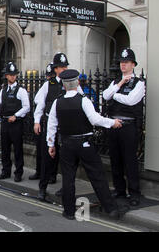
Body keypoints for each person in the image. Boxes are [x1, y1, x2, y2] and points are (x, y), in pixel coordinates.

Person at [47, 69, 126, 220]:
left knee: (68, 178)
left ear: (63, 85)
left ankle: (69, 211)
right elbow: (95, 119)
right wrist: (113, 123)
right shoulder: (83, 100)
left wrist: (51, 144)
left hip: (67, 144)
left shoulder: (58, 102)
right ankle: (111, 209)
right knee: (97, 176)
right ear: (77, 83)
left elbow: (52, 125)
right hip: (85, 143)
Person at [33, 52, 84, 200]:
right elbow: (40, 104)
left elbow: (82, 100)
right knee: (47, 160)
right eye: (61, 67)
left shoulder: (72, 83)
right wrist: (37, 121)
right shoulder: (48, 85)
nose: (64, 69)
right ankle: (42, 188)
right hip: (51, 126)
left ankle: (66, 188)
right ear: (55, 69)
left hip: (67, 127)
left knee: (67, 161)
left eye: (65, 66)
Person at [102, 48, 145, 207]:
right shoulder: (115, 82)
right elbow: (104, 96)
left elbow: (132, 101)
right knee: (115, 160)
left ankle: (134, 192)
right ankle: (119, 190)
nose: (123, 65)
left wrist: (115, 94)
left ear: (133, 64)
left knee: (130, 161)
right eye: (121, 62)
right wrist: (119, 85)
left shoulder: (139, 83)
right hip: (113, 125)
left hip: (128, 126)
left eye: (126, 62)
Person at [0, 62, 30, 182]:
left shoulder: (21, 91)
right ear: (6, 76)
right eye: (10, 74)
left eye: (14, 74)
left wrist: (16, 115)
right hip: (5, 122)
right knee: (5, 149)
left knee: (18, 149)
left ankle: (18, 173)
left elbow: (27, 107)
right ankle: (6, 171)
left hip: (16, 123)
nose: (13, 77)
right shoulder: (3, 90)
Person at [29, 62, 55, 180]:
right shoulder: (46, 85)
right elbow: (38, 101)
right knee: (41, 149)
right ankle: (39, 171)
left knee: (54, 151)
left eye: (51, 75)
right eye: (48, 75)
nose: (49, 78)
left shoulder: (59, 85)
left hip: (55, 123)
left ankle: (52, 175)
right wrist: (37, 121)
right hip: (45, 121)